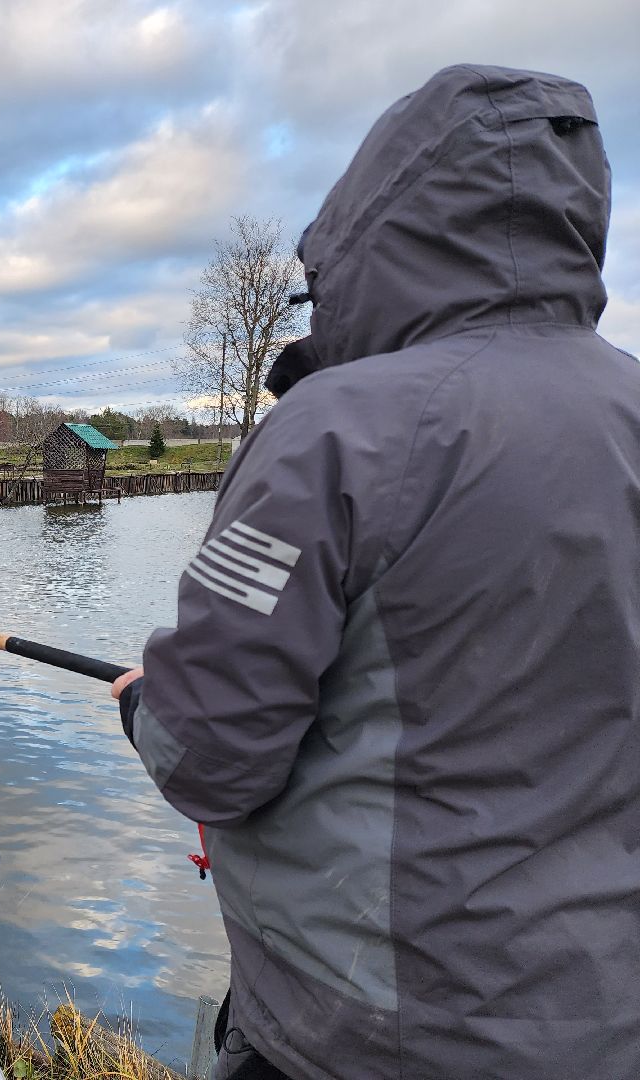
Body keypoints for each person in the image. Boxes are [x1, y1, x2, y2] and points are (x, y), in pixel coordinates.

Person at [113, 65, 637, 1080]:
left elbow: (207, 755)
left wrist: (146, 707)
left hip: (374, 1037)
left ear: (374, 227)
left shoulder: (337, 430)